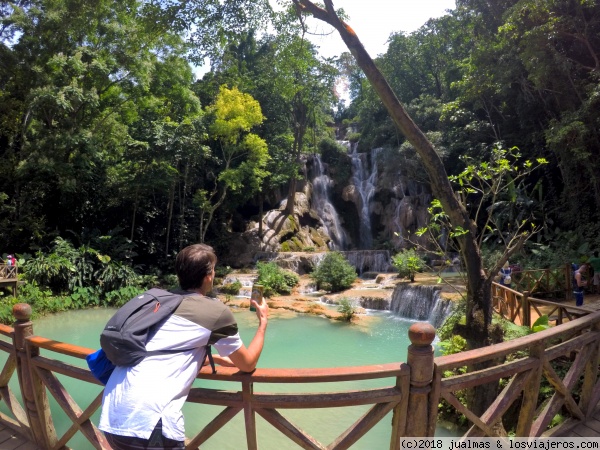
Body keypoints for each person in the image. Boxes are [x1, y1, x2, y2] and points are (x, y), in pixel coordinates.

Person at [99, 243, 269, 449]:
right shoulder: (216, 312)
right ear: (208, 276)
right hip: (148, 422)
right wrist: (262, 323)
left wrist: (211, 359)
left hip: (113, 413)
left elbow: (163, 347)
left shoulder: (160, 301)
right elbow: (248, 364)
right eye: (213, 270)